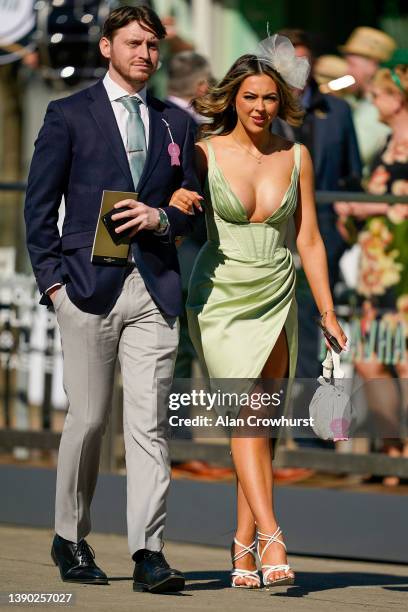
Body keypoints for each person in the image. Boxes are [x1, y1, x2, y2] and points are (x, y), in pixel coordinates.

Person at [24, 5, 203, 594]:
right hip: (85, 288)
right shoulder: (67, 114)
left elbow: (190, 205)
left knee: (150, 426)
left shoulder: (177, 124)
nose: (145, 55)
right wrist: (53, 284)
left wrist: (163, 217)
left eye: (152, 46)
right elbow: (39, 208)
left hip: (154, 285)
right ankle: (70, 537)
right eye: (133, 43)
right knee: (90, 419)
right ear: (106, 47)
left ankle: (149, 552)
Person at [170, 35, 348, 588]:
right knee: (245, 413)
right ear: (232, 97)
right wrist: (172, 203)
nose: (259, 107)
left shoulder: (296, 156)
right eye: (250, 96)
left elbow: (311, 241)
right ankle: (273, 536)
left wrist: (327, 309)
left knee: (260, 424)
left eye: (269, 98)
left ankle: (242, 546)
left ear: (281, 101)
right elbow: (164, 201)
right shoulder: (203, 151)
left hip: (278, 289)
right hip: (220, 296)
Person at [335, 60, 408, 486]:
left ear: (398, 99)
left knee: (401, 360)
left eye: (379, 94)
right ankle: (392, 446)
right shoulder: (384, 141)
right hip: (375, 266)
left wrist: (367, 206)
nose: (373, 101)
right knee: (367, 360)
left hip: (401, 269)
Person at [273, 29, 361, 381]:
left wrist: (346, 221)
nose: (297, 67)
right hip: (274, 232)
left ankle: (312, 424)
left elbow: (351, 173)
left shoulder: (336, 110)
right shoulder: (263, 109)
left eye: (303, 59)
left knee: (319, 319)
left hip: (323, 230)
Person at [339, 26, 396, 177]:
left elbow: (357, 152)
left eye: (352, 64)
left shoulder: (377, 108)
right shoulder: (359, 102)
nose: (347, 71)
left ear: (372, 65)